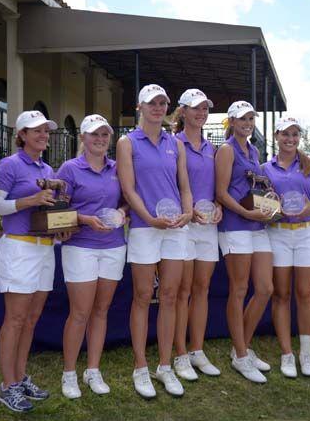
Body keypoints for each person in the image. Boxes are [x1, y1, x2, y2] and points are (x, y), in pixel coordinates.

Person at [116, 84, 193, 398]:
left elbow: (184, 185)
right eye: (152, 103)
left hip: (176, 226)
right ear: (140, 107)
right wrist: (148, 218)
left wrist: (188, 211)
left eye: (162, 103)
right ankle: (140, 366)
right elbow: (128, 189)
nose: (158, 107)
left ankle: (164, 365)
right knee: (143, 296)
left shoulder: (175, 143)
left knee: (171, 296)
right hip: (146, 227)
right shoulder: (127, 142)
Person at [0, 110, 67, 412]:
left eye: (46, 132)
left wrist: (60, 223)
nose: (42, 135)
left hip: (44, 248)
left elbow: (47, 211)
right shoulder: (9, 164)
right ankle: (6, 386)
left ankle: (20, 377)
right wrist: (29, 201)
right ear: (21, 135)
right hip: (19, 249)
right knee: (16, 319)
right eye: (35, 131)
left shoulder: (48, 168)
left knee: (32, 319)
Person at [56, 114, 128, 398]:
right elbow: (57, 212)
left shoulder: (117, 168)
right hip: (81, 246)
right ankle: (69, 373)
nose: (100, 140)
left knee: (101, 310)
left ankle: (93, 370)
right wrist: (86, 220)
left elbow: (127, 200)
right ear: (83, 138)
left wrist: (123, 212)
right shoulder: (69, 169)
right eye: (94, 135)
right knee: (80, 312)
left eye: (104, 135)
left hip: (113, 246)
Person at [263, 117, 310, 378]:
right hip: (278, 234)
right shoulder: (265, 168)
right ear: (276, 137)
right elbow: (262, 203)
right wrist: (271, 209)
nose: (290, 139)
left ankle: (305, 352)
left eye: (294, 134)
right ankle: (287, 354)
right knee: (281, 294)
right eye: (285, 134)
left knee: (305, 292)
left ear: (299, 137)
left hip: (307, 233)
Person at [215, 100, 273, 384]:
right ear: (231, 122)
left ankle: (243, 347)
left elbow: (255, 187)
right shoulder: (226, 150)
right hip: (235, 225)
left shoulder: (254, 150)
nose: (247, 123)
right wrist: (246, 212)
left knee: (264, 288)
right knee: (239, 290)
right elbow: (221, 193)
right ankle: (239, 355)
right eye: (242, 119)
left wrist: (268, 205)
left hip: (256, 225)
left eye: (251, 118)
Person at [170, 89, 223, 381]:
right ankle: (179, 353)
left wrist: (217, 206)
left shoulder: (211, 148)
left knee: (202, 289)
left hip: (208, 226)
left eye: (205, 108)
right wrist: (188, 211)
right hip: (184, 225)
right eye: (195, 109)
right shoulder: (173, 143)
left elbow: (215, 187)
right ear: (183, 112)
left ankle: (197, 349)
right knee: (183, 290)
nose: (201, 113)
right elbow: (174, 185)